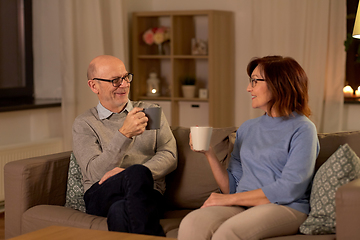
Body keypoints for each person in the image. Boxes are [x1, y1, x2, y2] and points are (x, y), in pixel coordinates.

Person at [178, 56, 320, 240]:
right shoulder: (248, 128)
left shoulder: (303, 129)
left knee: (227, 233)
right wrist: (209, 153)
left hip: (285, 207)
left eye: (255, 81)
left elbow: (290, 189)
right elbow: (233, 186)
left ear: (279, 83)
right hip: (243, 205)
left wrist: (229, 200)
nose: (248, 88)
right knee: (192, 223)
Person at [72, 55, 177, 236]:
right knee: (135, 173)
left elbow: (170, 155)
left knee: (119, 211)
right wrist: (124, 134)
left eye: (126, 77)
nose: (124, 84)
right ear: (93, 86)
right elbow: (95, 173)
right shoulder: (85, 123)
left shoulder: (149, 112)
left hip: (149, 193)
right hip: (101, 193)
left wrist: (134, 174)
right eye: (115, 80)